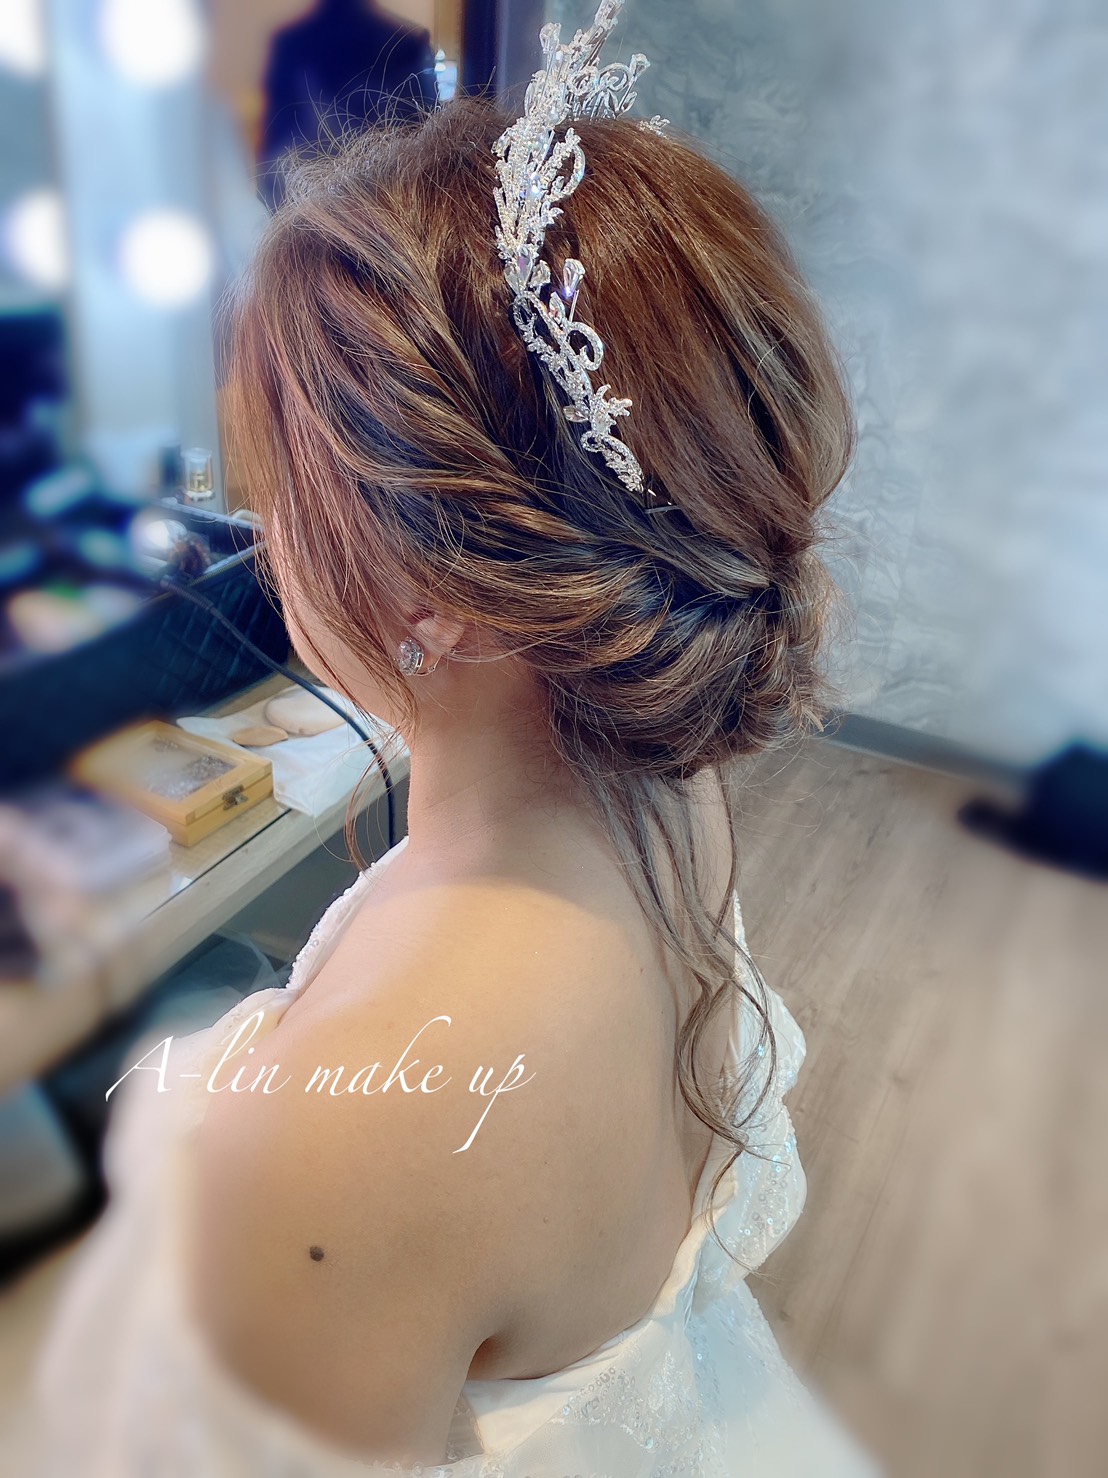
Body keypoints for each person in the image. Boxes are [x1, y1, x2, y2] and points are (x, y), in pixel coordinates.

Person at [30, 4, 881, 1472]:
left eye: (284, 486)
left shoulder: (354, 1150)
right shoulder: (665, 785)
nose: (269, 538)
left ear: (448, 599)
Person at [259, 0, 437, 208]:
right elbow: (426, 142)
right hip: (385, 206)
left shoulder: (291, 44)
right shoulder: (408, 44)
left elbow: (274, 146)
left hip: (312, 203)